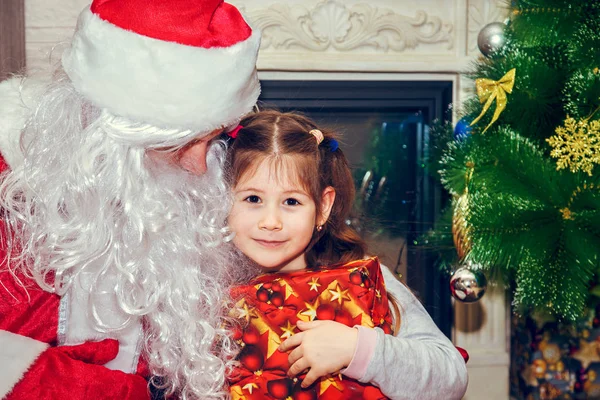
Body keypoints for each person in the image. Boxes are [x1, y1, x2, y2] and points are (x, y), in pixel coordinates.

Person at [0, 0, 260, 399]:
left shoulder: (200, 190)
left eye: (214, 139)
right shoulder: (12, 188)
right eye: (177, 144)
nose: (199, 166)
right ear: (107, 134)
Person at [224, 110, 469, 399]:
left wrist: (357, 349)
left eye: (291, 201)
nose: (271, 221)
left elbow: (451, 377)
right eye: (253, 199)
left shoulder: (364, 280)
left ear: (323, 207)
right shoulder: (198, 291)